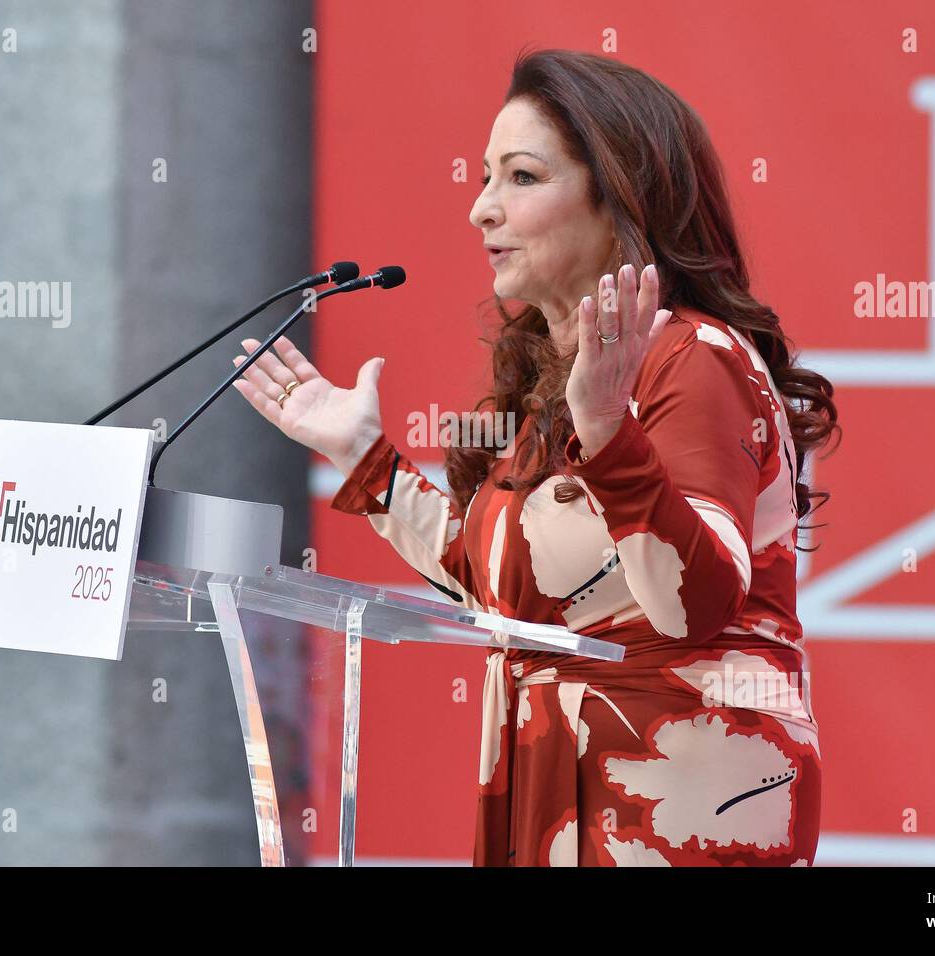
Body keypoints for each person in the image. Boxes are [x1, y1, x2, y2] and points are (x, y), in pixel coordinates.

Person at [231, 49, 839, 866]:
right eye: (484, 179)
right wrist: (364, 459)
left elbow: (693, 606)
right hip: (554, 793)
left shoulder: (694, 359)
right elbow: (507, 591)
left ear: (619, 191)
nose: (482, 210)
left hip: (684, 810)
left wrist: (609, 433)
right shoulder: (565, 384)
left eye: (520, 178)